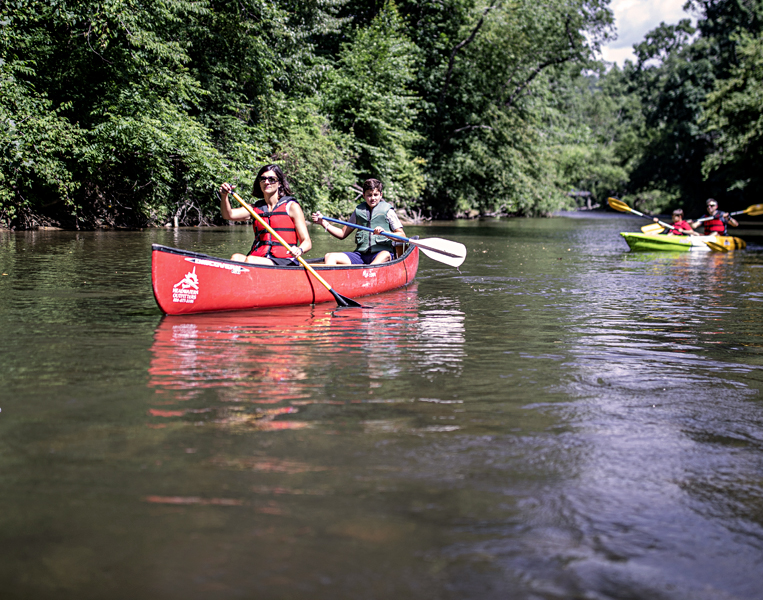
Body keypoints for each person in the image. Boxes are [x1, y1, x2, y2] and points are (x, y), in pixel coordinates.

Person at [219, 165, 311, 265]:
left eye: (272, 179)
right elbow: (228, 215)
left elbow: (307, 242)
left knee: (251, 260)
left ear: (279, 183)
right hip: (260, 257)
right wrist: (224, 196)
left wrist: (299, 250)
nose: (266, 182)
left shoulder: (292, 207)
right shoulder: (255, 208)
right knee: (236, 257)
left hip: (285, 260)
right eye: (263, 179)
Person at [311, 178, 404, 265]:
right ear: (364, 195)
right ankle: (332, 281)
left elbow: (402, 236)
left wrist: (385, 233)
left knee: (385, 254)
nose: (372, 198)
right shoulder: (358, 211)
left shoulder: (388, 211)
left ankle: (369, 272)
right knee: (329, 256)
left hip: (381, 253)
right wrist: (323, 223)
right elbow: (342, 233)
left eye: (376, 195)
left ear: (381, 195)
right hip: (361, 256)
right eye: (369, 195)